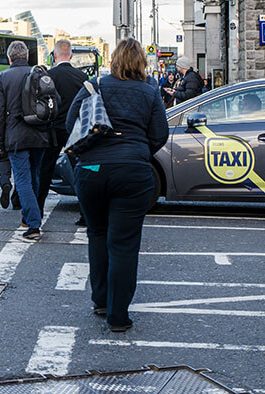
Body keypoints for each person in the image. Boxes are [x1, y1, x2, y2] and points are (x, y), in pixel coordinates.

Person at [66, 39, 168, 332]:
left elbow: (71, 122)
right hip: (133, 171)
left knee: (97, 234)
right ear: (141, 63)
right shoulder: (150, 93)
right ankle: (118, 316)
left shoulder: (95, 85)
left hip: (93, 168)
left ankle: (100, 300)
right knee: (123, 243)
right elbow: (159, 134)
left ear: (113, 60)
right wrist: (136, 150)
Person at [0, 41, 51, 240]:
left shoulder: (3, 78)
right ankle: (27, 218)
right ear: (26, 57)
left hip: (16, 137)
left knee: (23, 180)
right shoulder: (40, 74)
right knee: (34, 177)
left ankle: (33, 225)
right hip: (40, 135)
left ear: (9, 58)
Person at [38, 40, 88, 219]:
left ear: (54, 55)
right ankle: (84, 213)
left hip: (52, 130)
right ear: (72, 55)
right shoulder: (81, 77)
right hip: (75, 130)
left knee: (45, 169)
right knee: (79, 169)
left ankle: (38, 211)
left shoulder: (48, 76)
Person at [0, 79, 20, 210]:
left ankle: (5, 182)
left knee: (4, 157)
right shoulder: (30, 75)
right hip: (24, 128)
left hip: (5, 127)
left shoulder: (0, 79)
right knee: (21, 165)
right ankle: (17, 199)